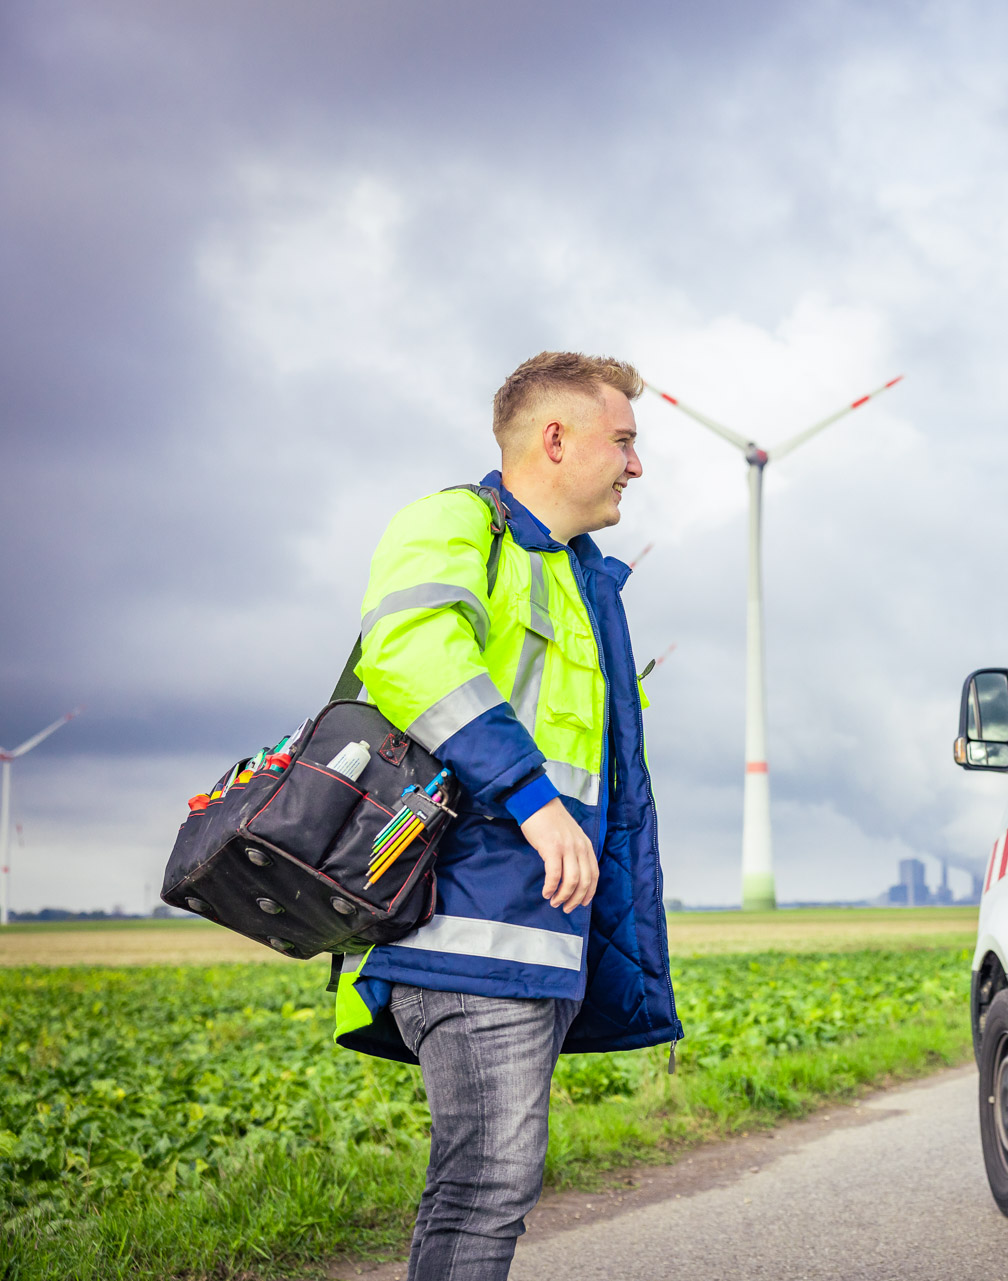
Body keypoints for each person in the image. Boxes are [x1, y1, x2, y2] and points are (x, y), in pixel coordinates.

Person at [331, 351, 679, 1281]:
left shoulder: (579, 577)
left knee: (488, 1187)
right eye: (625, 441)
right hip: (462, 926)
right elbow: (409, 651)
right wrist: (533, 799)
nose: (637, 466)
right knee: (485, 1187)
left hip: (533, 936)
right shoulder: (453, 523)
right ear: (555, 438)